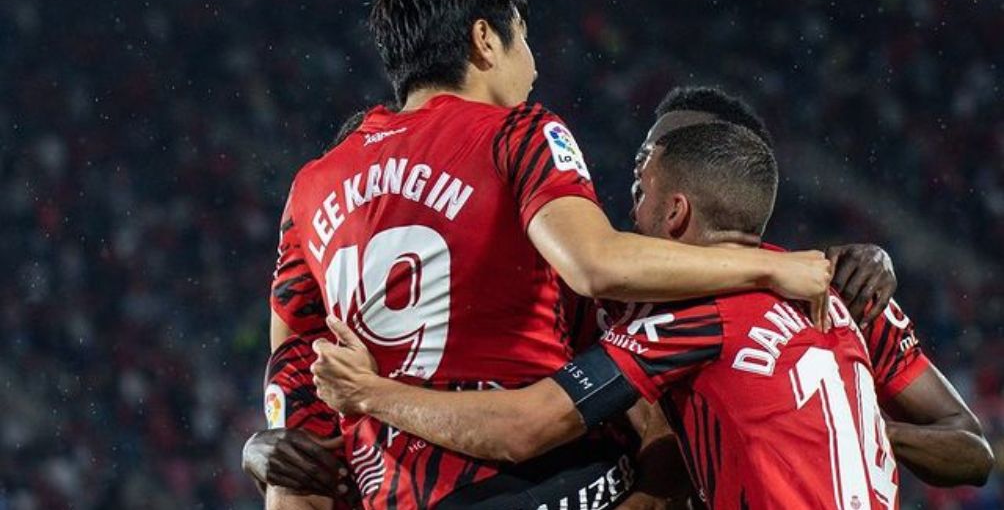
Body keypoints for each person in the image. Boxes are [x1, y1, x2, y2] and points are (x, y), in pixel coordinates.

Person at [311, 120, 994, 508]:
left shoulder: (696, 314)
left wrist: (369, 393)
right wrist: (851, 430)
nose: (622, 212)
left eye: (639, 189)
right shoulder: (840, 291)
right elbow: (976, 452)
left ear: (675, 212)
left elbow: (525, 428)